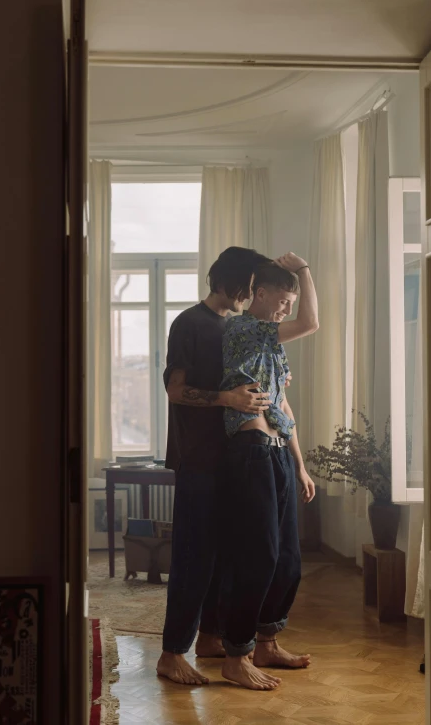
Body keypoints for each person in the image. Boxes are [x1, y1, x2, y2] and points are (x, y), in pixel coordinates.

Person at [156, 246, 277, 686]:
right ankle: (171, 654)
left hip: (235, 460)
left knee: (225, 556)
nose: (251, 295)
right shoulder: (188, 323)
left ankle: (208, 638)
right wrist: (227, 399)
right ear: (227, 280)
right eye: (248, 286)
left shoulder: (240, 327)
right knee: (193, 557)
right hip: (199, 459)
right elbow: (175, 390)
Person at [219, 253, 318, 691]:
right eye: (282, 303)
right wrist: (303, 269)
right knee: (258, 557)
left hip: (276, 452)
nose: (286, 312)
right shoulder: (243, 328)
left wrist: (300, 464)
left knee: (288, 560)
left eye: (290, 306)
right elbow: (312, 323)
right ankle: (235, 655)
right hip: (251, 451)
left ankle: (267, 642)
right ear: (259, 294)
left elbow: (282, 406)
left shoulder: (271, 348)